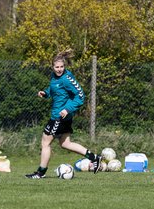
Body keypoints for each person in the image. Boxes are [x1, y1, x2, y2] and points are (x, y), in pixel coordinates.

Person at [25, 50, 102, 179]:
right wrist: (45, 93)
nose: (59, 69)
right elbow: (54, 90)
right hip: (60, 116)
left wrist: (67, 109)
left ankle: (40, 173)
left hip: (59, 117)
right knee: (65, 144)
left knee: (45, 143)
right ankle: (94, 158)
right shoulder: (54, 77)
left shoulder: (67, 79)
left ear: (64, 67)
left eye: (62, 67)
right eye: (57, 67)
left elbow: (80, 96)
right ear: (52, 67)